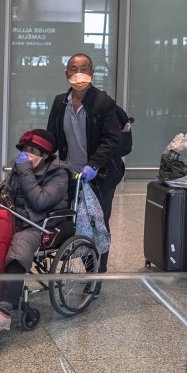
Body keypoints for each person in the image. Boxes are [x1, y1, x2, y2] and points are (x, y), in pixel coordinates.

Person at [46, 53, 126, 285]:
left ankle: (96, 275)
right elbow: (52, 135)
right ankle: (85, 263)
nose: (78, 73)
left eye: (83, 68)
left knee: (97, 222)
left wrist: (93, 165)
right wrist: (36, 152)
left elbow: (112, 140)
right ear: (66, 73)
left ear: (92, 73)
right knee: (75, 221)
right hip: (71, 173)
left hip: (101, 174)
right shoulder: (60, 102)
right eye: (73, 68)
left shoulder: (102, 102)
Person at [0, 129, 69, 333]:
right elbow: (3, 193)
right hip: (15, 218)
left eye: (32, 150)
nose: (25, 154)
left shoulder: (59, 175)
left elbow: (40, 202)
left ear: (45, 154)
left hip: (40, 224)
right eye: (24, 149)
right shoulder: (21, 169)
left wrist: (25, 170)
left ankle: (5, 310)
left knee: (19, 248)